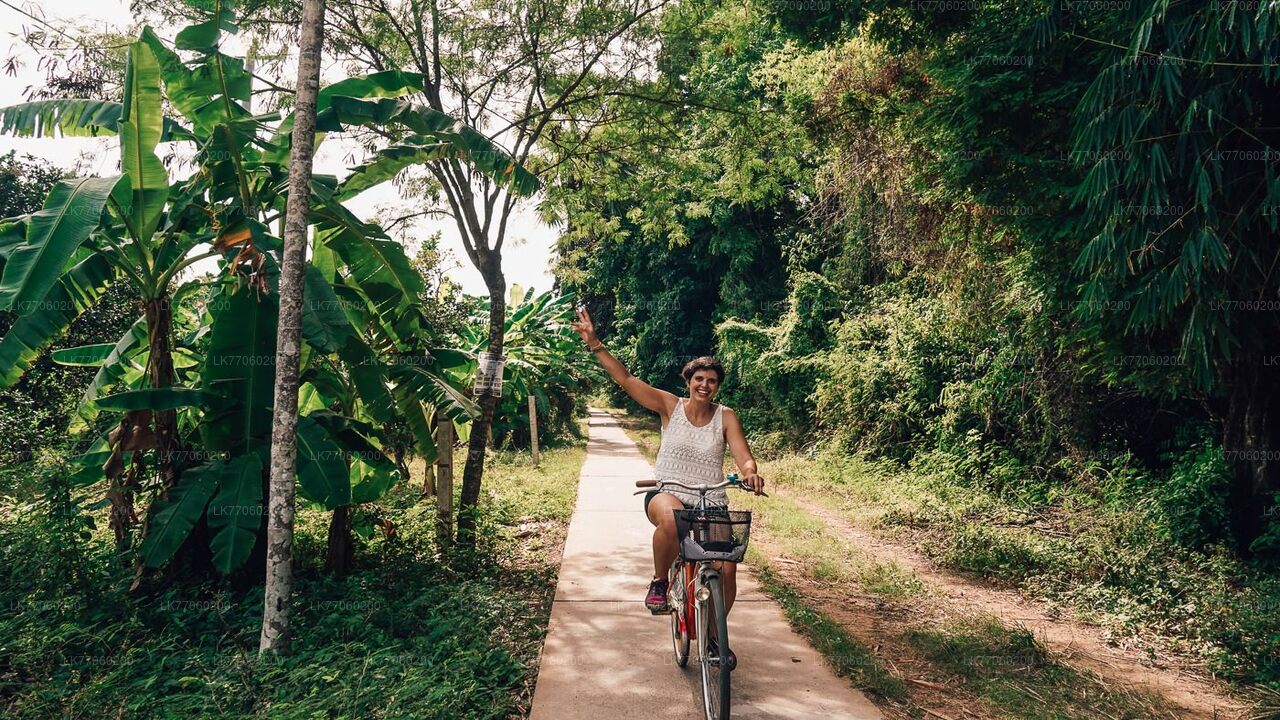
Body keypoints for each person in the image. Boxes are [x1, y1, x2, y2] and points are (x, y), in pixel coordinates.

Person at [570, 305, 765, 665]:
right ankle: (660, 582)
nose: (705, 385)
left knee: (727, 568)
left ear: (718, 386)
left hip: (712, 500)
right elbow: (626, 380)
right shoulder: (668, 405)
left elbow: (743, 455)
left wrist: (750, 471)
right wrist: (595, 343)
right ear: (688, 381)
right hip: (667, 492)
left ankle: (713, 637)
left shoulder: (727, 416)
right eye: (698, 379)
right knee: (673, 519)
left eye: (712, 381)